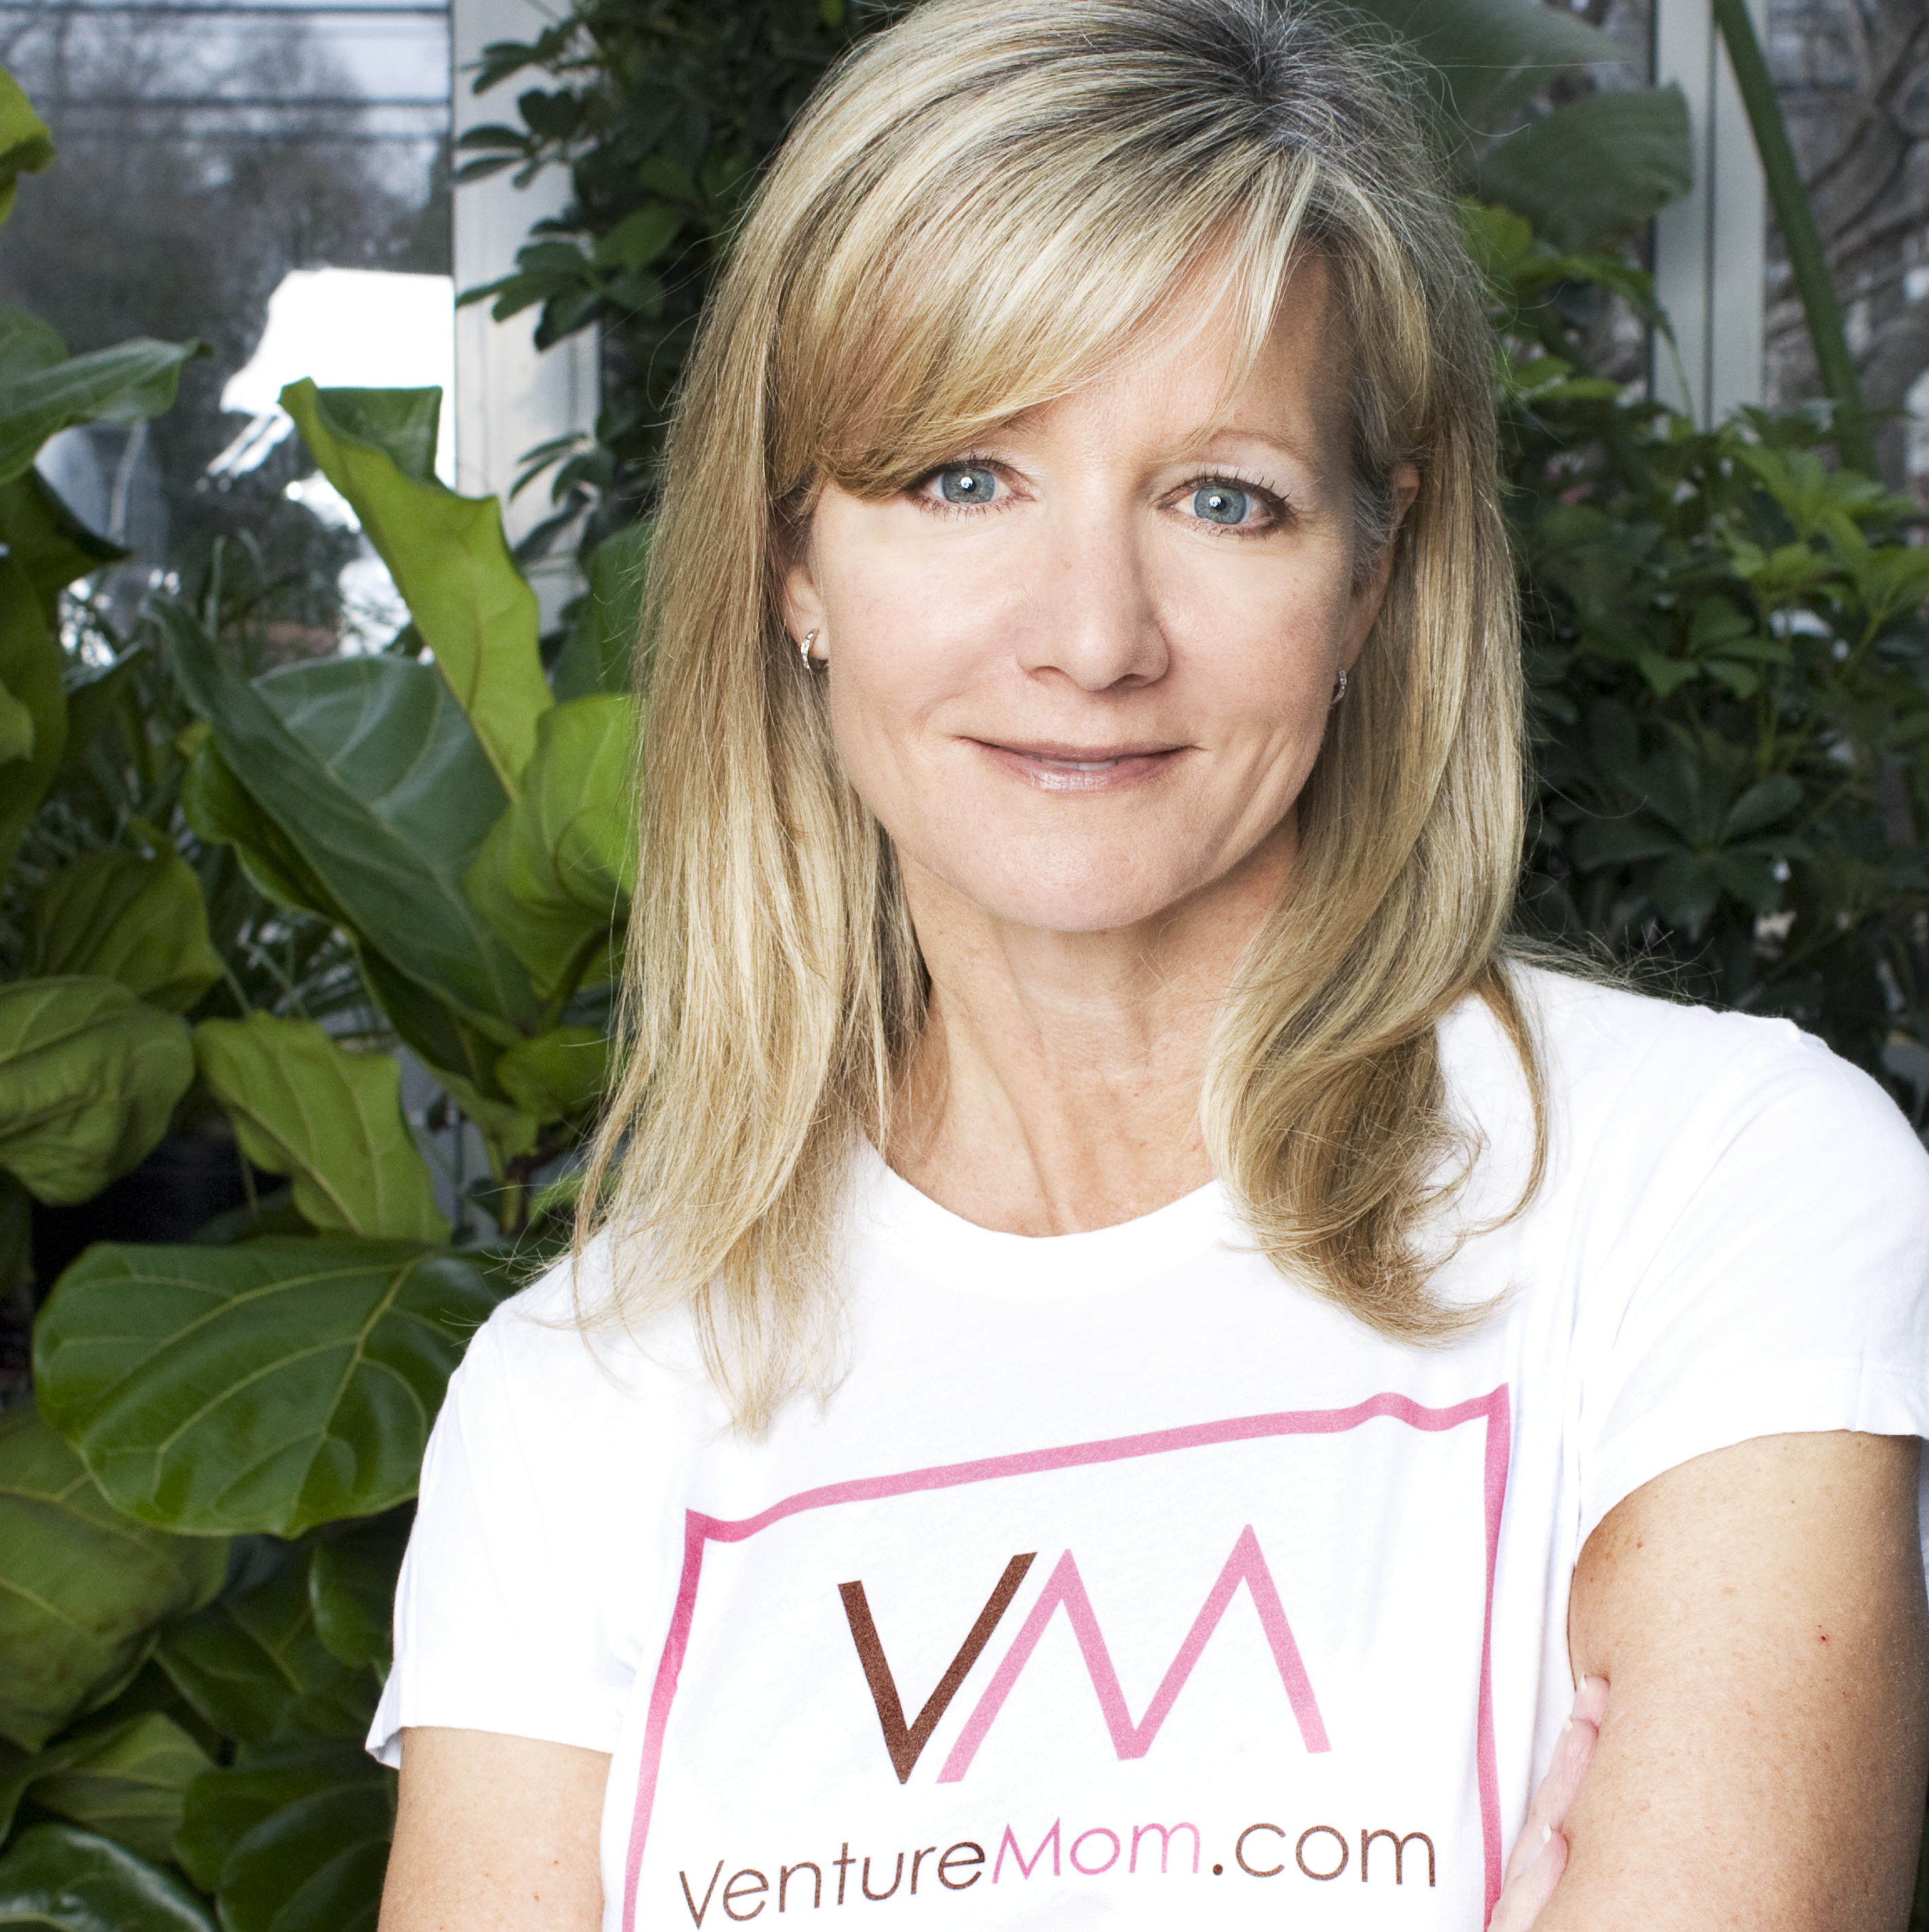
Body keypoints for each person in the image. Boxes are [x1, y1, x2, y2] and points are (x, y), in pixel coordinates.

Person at [372, 1, 1929, 1926]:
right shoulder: (584, 1395)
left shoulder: (1711, 1189)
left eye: (1223, 499)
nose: (1094, 637)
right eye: (964, 477)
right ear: (792, 558)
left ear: (1369, 573)